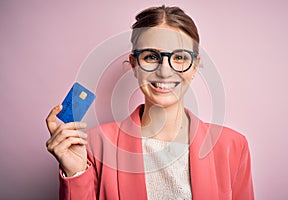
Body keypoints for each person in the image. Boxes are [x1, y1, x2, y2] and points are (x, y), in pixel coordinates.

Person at [46, 5, 254, 200]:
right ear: (134, 64)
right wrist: (76, 173)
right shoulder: (93, 144)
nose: (164, 71)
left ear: (195, 65)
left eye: (180, 57)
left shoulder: (233, 146)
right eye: (151, 56)